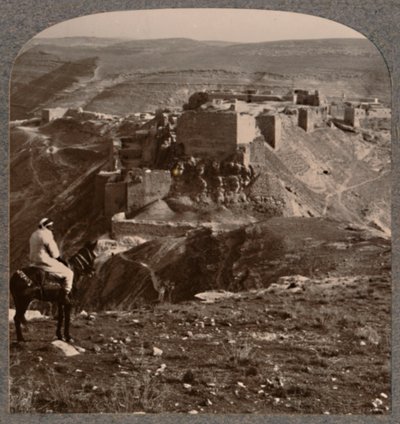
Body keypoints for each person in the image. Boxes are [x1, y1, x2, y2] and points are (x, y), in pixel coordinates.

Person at [29, 218, 73, 304]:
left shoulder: (34, 234)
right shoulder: (47, 234)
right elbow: (54, 252)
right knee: (69, 273)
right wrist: (61, 260)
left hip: (33, 262)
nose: (52, 228)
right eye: (50, 226)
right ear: (45, 226)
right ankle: (64, 295)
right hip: (44, 262)